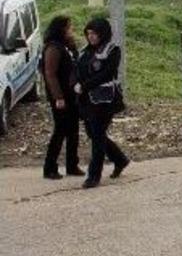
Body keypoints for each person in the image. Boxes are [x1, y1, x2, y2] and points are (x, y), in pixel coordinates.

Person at [74, 17, 129, 189]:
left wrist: (84, 85)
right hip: (86, 101)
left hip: (105, 101)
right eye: (89, 33)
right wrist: (75, 83)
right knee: (93, 133)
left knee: (97, 136)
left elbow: (107, 73)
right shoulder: (85, 51)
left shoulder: (112, 50)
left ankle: (93, 175)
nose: (91, 37)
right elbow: (78, 69)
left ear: (102, 34)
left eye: (95, 33)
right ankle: (119, 159)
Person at [40, 15, 82, 180]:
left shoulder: (66, 46)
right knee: (61, 129)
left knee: (73, 130)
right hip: (61, 96)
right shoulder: (53, 48)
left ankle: (72, 164)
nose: (72, 30)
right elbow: (50, 73)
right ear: (62, 29)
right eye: (69, 27)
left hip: (72, 94)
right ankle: (50, 167)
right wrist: (58, 96)